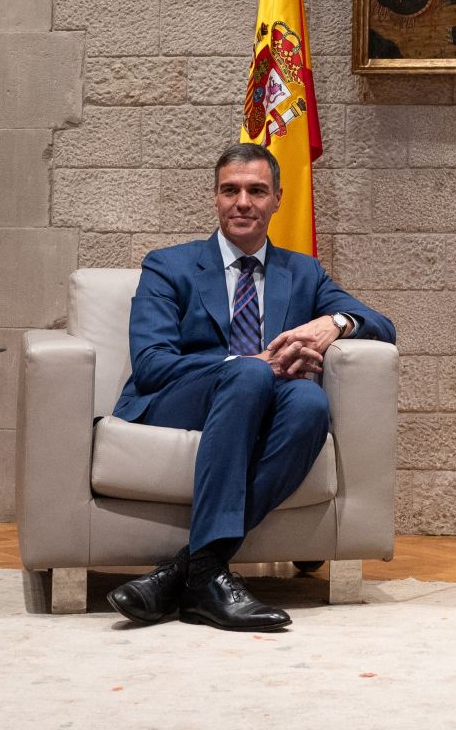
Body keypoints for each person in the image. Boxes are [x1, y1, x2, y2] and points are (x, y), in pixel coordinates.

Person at [106, 143, 396, 632]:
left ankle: (193, 573)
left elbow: (382, 325)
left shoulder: (301, 271)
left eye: (256, 190)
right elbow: (153, 364)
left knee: (308, 400)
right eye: (231, 190)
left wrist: (336, 322)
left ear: (277, 199)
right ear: (215, 198)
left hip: (263, 401)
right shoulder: (168, 266)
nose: (243, 201)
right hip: (179, 399)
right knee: (252, 372)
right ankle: (203, 576)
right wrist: (251, 363)